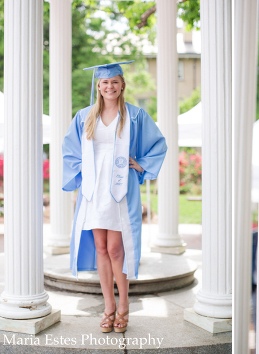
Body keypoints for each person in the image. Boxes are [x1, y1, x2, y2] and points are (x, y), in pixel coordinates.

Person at [62, 61, 167, 333]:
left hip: (121, 188)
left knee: (116, 248)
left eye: (115, 82)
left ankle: (124, 305)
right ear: (98, 86)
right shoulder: (84, 116)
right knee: (100, 247)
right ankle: (108, 306)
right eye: (105, 82)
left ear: (122, 86)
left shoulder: (135, 116)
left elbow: (158, 143)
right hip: (94, 190)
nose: (110, 86)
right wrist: (79, 179)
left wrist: (141, 164)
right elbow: (70, 150)